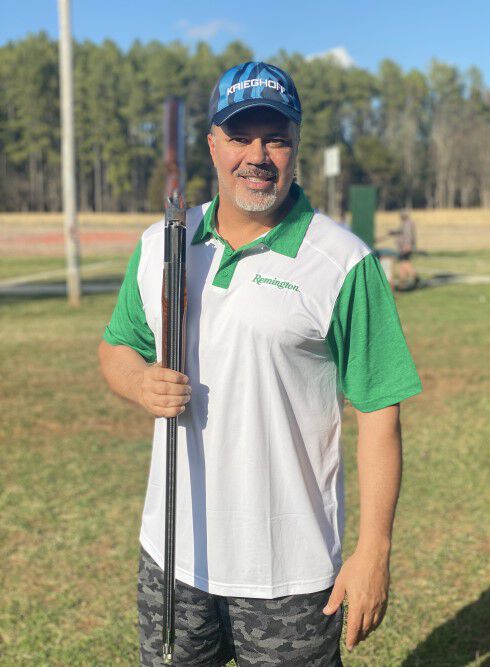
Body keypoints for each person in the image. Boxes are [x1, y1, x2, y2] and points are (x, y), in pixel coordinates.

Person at [99, 61, 422, 667]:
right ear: (213, 145)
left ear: (297, 146)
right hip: (175, 555)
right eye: (241, 136)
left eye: (275, 137)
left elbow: (380, 412)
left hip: (289, 573)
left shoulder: (342, 261)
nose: (258, 155)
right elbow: (116, 347)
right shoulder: (161, 246)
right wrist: (141, 382)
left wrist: (374, 549)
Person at [391, 209, 419, 289]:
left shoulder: (407, 224)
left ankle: (415, 276)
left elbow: (408, 235)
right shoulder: (405, 223)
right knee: (403, 263)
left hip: (405, 247)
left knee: (405, 262)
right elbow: (400, 231)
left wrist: (407, 245)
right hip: (403, 247)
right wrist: (393, 232)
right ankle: (402, 281)